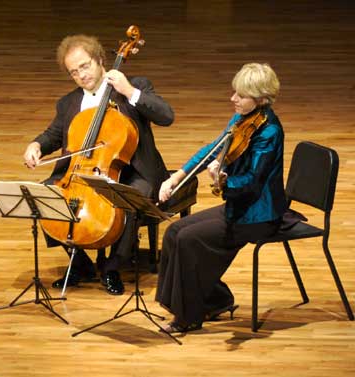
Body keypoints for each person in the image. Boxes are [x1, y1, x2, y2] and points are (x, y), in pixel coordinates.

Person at [23, 34, 174, 295]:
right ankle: (79, 262)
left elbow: (166, 116)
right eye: (74, 72)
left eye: (85, 66)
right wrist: (35, 145)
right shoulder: (69, 103)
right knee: (45, 194)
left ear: (100, 60)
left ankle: (112, 268)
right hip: (86, 171)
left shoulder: (133, 86)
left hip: (132, 170)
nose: (81, 75)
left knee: (128, 197)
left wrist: (129, 91)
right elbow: (53, 134)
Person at [156, 63, 287, 333]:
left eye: (240, 95)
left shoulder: (270, 132)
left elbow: (252, 182)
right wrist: (176, 177)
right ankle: (214, 300)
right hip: (240, 206)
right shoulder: (240, 119)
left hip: (259, 214)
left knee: (188, 239)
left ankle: (189, 316)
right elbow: (213, 148)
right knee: (174, 232)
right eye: (234, 92)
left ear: (261, 99)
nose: (233, 99)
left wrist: (223, 181)